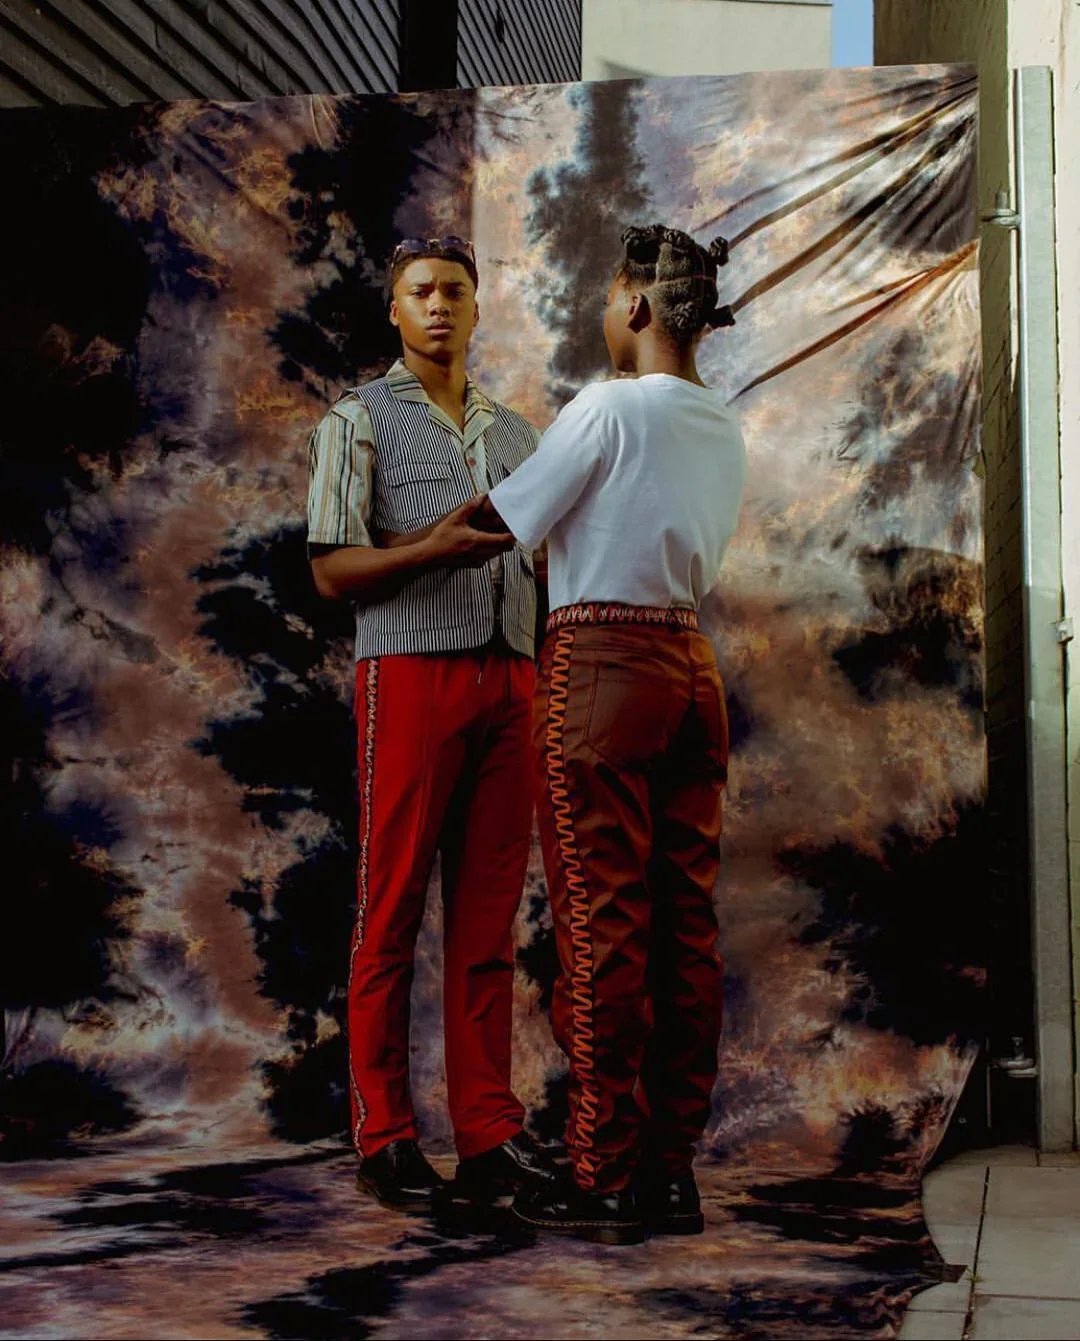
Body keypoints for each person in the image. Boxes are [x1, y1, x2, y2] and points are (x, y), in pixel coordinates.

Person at [475, 224, 746, 1244]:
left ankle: (599, 1172)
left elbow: (504, 524)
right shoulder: (721, 424)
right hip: (690, 668)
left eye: (608, 297)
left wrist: (402, 552)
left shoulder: (607, 406)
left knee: (604, 928)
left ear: (637, 306)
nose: (603, 313)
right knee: (684, 927)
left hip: (601, 665)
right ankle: (668, 1171)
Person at [306, 234, 558, 1211]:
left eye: (456, 289)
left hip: (512, 682)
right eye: (421, 292)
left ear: (478, 303)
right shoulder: (355, 419)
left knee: (487, 924)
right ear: (394, 309)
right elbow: (331, 570)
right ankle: (385, 1134)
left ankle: (488, 1137)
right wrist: (428, 549)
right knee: (393, 908)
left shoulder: (520, 435)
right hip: (409, 677)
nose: (440, 306)